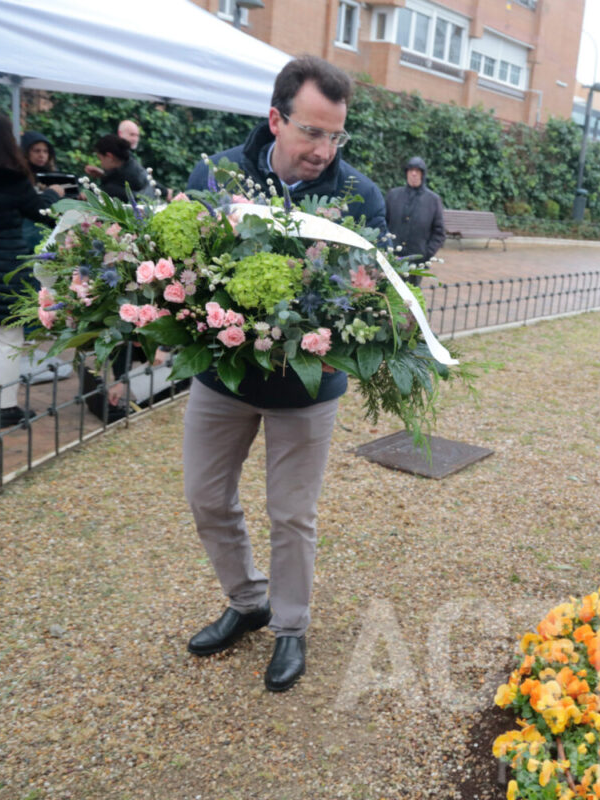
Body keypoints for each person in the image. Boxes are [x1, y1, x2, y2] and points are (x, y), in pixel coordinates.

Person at [182, 56, 386, 693]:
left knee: (292, 513)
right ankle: (249, 603)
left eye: (336, 135)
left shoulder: (360, 196)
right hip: (224, 379)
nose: (324, 150)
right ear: (275, 120)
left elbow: (371, 293)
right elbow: (178, 261)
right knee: (206, 497)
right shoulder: (219, 176)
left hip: (306, 387)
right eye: (311, 132)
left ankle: (290, 627)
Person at [0, 113, 63, 427]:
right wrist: (53, 195)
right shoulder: (14, 174)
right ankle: (7, 409)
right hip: (6, 265)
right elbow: (39, 212)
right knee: (8, 336)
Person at [384, 156, 445, 286]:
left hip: (416, 261)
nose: (413, 173)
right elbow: (383, 223)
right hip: (392, 258)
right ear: (406, 173)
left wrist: (426, 254)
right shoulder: (393, 195)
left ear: (423, 174)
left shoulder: (433, 200)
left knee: (410, 298)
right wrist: (386, 247)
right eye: (410, 170)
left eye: (417, 170)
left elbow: (439, 232)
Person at [90, 134, 152, 202]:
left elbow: (110, 191)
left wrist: (89, 195)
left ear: (109, 157)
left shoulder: (127, 178)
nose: (101, 163)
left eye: (100, 159)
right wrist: (103, 175)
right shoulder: (130, 164)